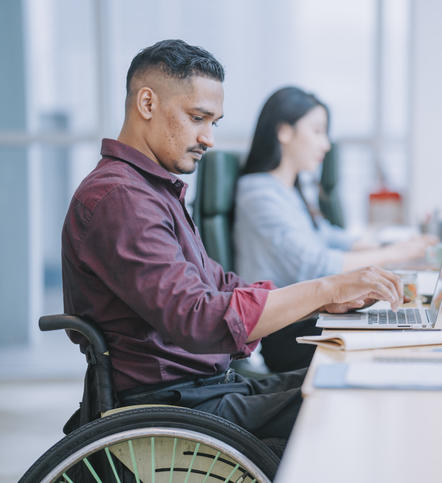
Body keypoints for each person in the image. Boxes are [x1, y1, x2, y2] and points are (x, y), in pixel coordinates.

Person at [61, 39, 403, 453]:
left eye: (214, 123)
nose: (208, 139)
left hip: (204, 391)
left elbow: (217, 283)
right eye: (197, 118)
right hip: (172, 409)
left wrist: (323, 302)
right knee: (349, 402)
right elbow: (198, 318)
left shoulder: (150, 191)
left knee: (354, 379)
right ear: (146, 104)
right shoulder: (121, 200)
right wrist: (324, 289)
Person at [234, 86, 437, 289]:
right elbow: (313, 265)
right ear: (284, 132)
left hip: (308, 305)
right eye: (317, 131)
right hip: (285, 317)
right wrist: (393, 254)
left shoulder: (290, 191)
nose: (326, 145)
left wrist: (391, 248)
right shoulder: (257, 193)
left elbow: (325, 235)